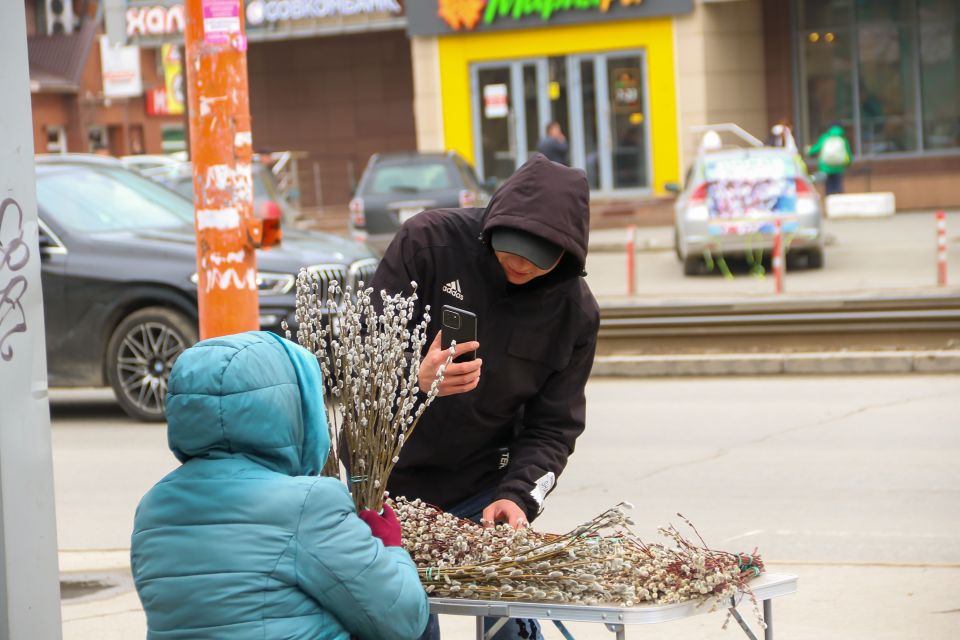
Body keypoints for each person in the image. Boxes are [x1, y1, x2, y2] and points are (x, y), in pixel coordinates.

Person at [371, 153, 600, 640]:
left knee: (508, 623)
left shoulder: (574, 314)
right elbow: (353, 370)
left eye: (537, 257)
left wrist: (517, 497)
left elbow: (552, 428)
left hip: (482, 482)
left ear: (567, 257)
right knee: (402, 625)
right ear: (492, 224)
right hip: (386, 480)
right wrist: (413, 379)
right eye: (510, 246)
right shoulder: (427, 243)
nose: (518, 262)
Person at [130, 331, 429, 640]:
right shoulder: (307, 504)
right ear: (291, 407)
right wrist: (390, 549)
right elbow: (403, 619)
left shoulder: (152, 509)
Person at [809, 124, 852, 196]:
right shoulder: (843, 139)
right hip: (839, 166)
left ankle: (829, 198)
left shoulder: (825, 137)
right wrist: (848, 163)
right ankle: (839, 199)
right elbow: (848, 153)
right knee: (838, 185)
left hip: (826, 166)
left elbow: (816, 148)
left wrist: (809, 151)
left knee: (828, 185)